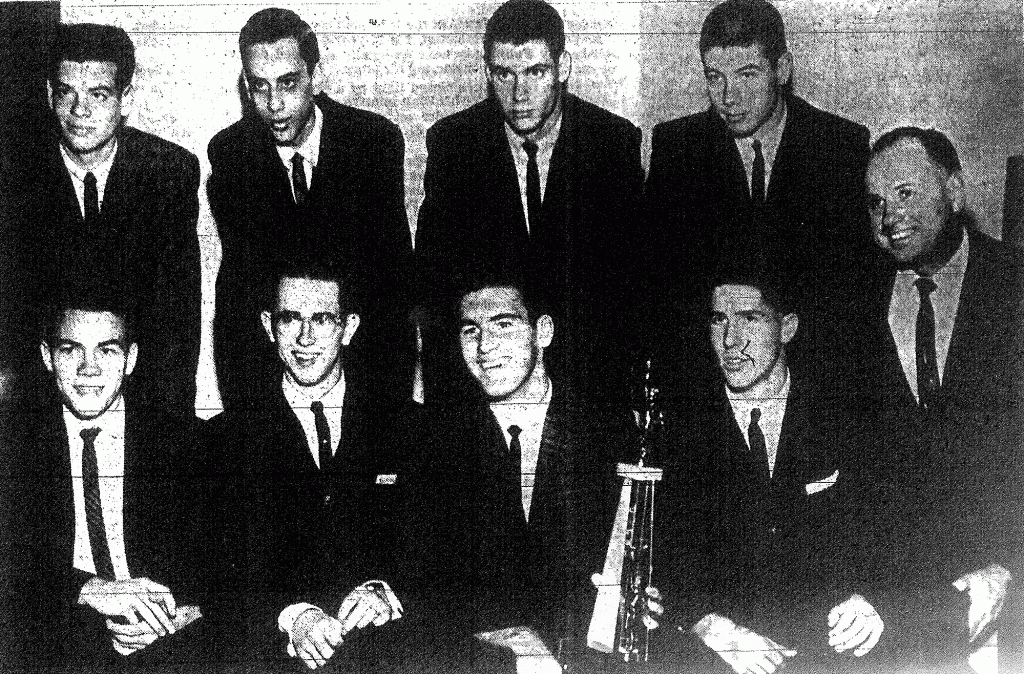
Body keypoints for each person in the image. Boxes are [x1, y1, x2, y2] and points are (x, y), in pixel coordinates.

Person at [653, 271, 888, 674]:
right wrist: (708, 625)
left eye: (750, 319)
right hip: (719, 657)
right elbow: (658, 557)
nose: (731, 341)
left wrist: (871, 598)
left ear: (787, 328)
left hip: (834, 655)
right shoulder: (674, 427)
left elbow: (888, 525)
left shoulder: (845, 413)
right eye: (719, 320)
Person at [415, 0, 644, 409]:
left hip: (591, 386)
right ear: (488, 73)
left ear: (562, 67)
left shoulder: (611, 142)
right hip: (488, 386)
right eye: (505, 74)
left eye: (536, 72)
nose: (519, 94)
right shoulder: (454, 144)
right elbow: (436, 287)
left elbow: (629, 286)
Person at [644, 0, 878, 394]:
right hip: (710, 387)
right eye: (715, 77)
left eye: (747, 75)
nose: (728, 97)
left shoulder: (840, 146)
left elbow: (852, 293)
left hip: (816, 387)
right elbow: (662, 290)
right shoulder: (678, 147)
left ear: (782, 69)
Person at [407, 278, 631, 673]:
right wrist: (498, 640)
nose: (484, 346)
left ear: (543, 332)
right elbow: (424, 584)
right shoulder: (433, 443)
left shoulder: (609, 433)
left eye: (503, 325)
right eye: (470, 330)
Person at [863, 127, 1023, 671]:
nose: (889, 217)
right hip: (897, 608)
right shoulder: (855, 299)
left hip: (1003, 597)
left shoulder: (1014, 285)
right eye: (876, 202)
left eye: (905, 193)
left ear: (954, 192)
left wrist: (1008, 568)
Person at [208, 8, 414, 413]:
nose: (274, 104)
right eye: (259, 86)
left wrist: (388, 407)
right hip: (276, 380)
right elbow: (240, 299)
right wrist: (249, 416)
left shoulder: (372, 142)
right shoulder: (232, 153)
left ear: (316, 76)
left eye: (288, 83)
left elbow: (392, 287)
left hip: (366, 370)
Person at [205, 260, 407, 672]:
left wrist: (385, 590)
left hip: (387, 655)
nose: (305, 338)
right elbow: (215, 570)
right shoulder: (222, 439)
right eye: (290, 319)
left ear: (349, 328)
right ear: (269, 326)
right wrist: (292, 616)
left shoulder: (409, 425)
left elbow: (441, 548)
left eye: (323, 319)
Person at [7, 293, 210, 671]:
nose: (89, 369)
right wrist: (88, 589)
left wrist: (182, 616)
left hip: (170, 645)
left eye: (107, 350)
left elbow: (228, 564)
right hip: (56, 640)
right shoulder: (13, 444)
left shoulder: (186, 442)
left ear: (130, 358)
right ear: (47, 357)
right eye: (70, 350)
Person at [14, 22, 200, 417]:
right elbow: (16, 321)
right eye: (66, 92)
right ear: (49, 95)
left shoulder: (168, 172)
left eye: (98, 95)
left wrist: (166, 429)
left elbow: (175, 322)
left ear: (125, 99)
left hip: (141, 403)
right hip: (41, 405)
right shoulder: (15, 177)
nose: (79, 111)